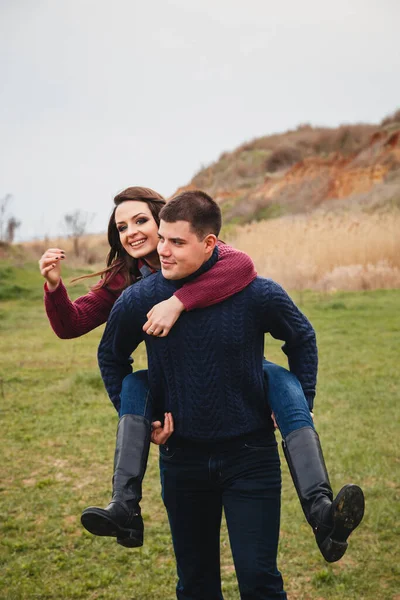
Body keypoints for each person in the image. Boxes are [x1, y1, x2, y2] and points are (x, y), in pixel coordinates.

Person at [40, 187, 364, 564]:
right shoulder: (123, 282)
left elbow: (242, 266)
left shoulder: (210, 256)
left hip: (232, 369)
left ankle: (322, 511)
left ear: (164, 221)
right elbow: (76, 325)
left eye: (142, 221)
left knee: (279, 381)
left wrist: (178, 301)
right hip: (173, 382)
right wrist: (53, 286)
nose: (134, 233)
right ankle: (124, 505)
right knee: (134, 384)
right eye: (122, 227)